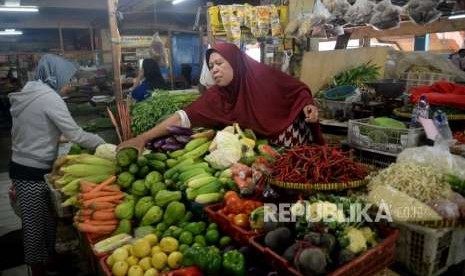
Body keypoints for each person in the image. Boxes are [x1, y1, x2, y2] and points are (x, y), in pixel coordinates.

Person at [118, 42, 324, 153]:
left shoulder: (263, 76)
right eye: (211, 66)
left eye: (220, 63)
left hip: (294, 141)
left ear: (234, 61)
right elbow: (183, 116)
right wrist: (143, 138)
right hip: (265, 155)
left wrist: (308, 105)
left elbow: (298, 89)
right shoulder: (216, 96)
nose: (214, 70)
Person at [8, 54, 105, 276]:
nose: (70, 85)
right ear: (56, 76)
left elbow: (37, 128)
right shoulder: (49, 98)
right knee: (35, 227)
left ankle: (49, 262)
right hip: (31, 170)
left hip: (22, 166)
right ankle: (38, 269)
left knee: (45, 221)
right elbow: (76, 134)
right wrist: (103, 144)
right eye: (67, 79)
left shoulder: (30, 91)